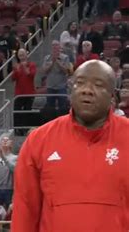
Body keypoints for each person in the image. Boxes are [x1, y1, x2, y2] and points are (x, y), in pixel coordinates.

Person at [12, 60, 129, 231]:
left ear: (112, 95)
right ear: (70, 89)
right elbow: (25, 210)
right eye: (79, 83)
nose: (87, 90)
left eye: (98, 85)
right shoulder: (39, 141)